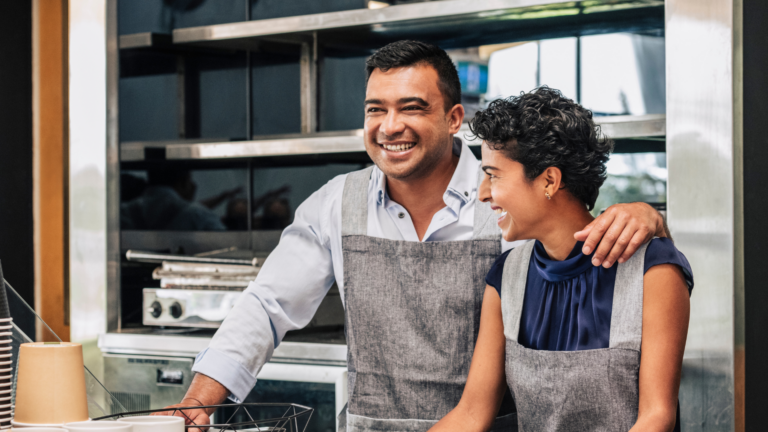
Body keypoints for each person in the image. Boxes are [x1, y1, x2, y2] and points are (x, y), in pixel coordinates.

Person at [156, 41, 671, 432]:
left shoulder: (510, 204)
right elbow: (267, 305)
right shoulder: (338, 202)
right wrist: (200, 400)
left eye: (411, 107)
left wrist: (649, 216)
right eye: (375, 109)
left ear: (453, 119)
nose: (389, 126)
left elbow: (572, 233)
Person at [428, 88, 692, 432]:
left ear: (549, 181)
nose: (482, 193)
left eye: (493, 175)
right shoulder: (506, 276)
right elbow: (471, 414)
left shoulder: (653, 270)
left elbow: (657, 417)